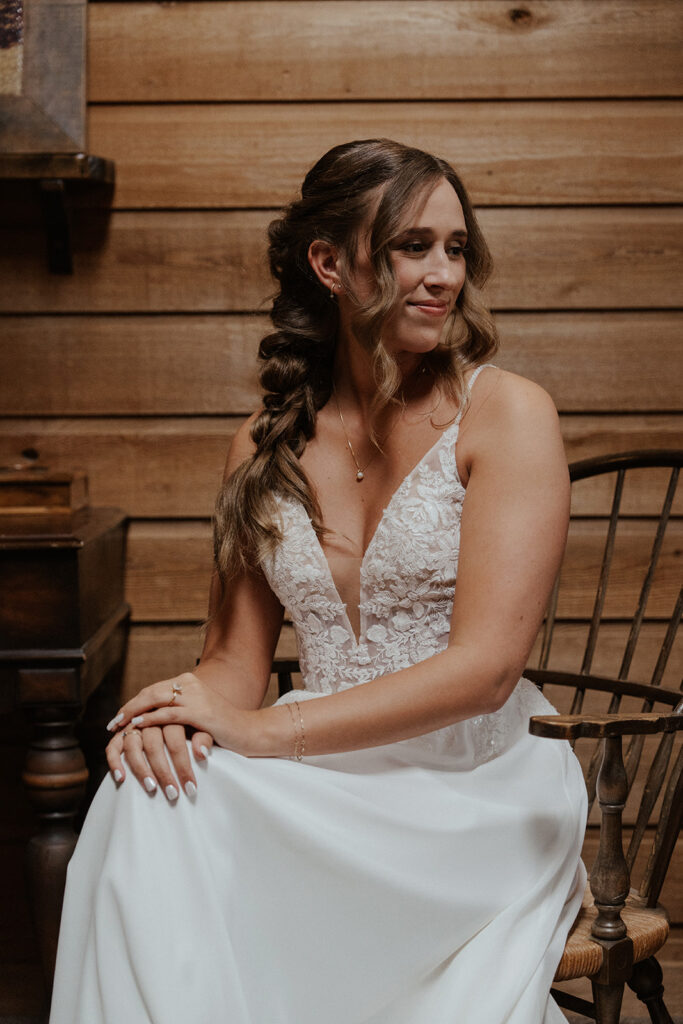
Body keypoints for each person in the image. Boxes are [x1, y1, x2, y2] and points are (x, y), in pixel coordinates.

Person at [50, 138, 587, 1024]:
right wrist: (172, 716)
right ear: (330, 264)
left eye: (456, 249)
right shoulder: (261, 447)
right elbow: (232, 663)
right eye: (413, 245)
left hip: (472, 783)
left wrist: (258, 734)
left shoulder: (506, 414)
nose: (442, 274)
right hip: (320, 772)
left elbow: (485, 671)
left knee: (186, 800)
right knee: (144, 794)